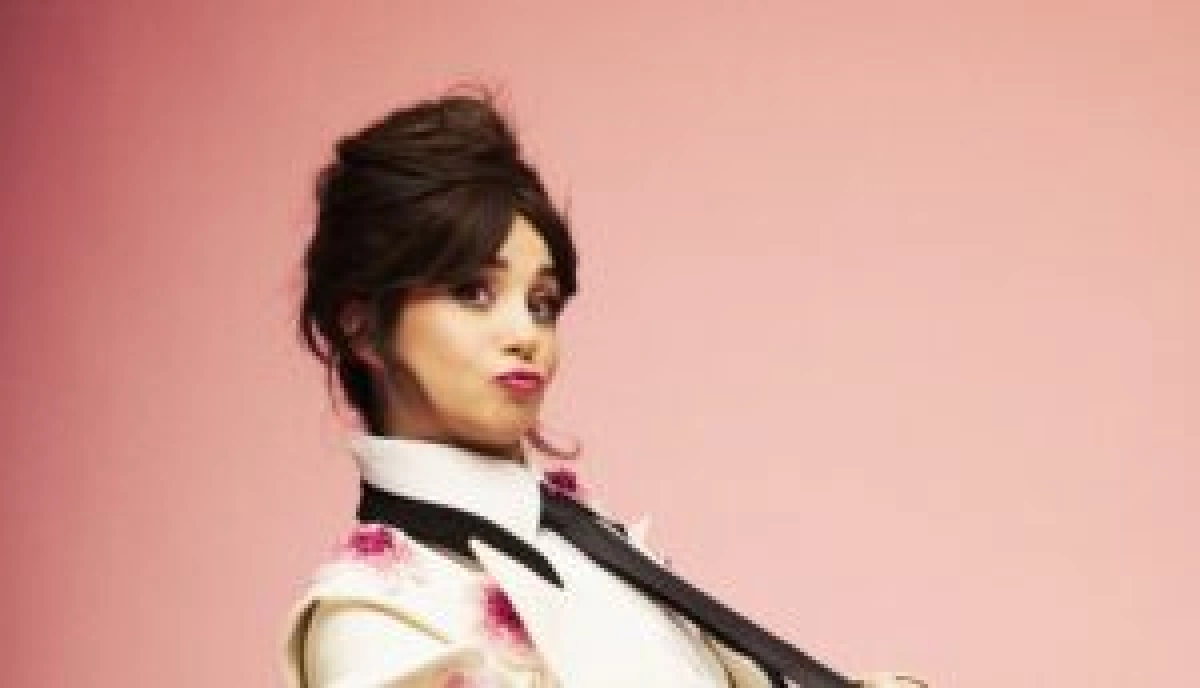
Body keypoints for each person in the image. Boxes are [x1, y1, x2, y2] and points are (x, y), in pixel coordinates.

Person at [280, 89, 925, 688]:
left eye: (541, 303)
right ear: (363, 328)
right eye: (473, 292)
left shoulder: (590, 546)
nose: (525, 335)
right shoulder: (370, 623)